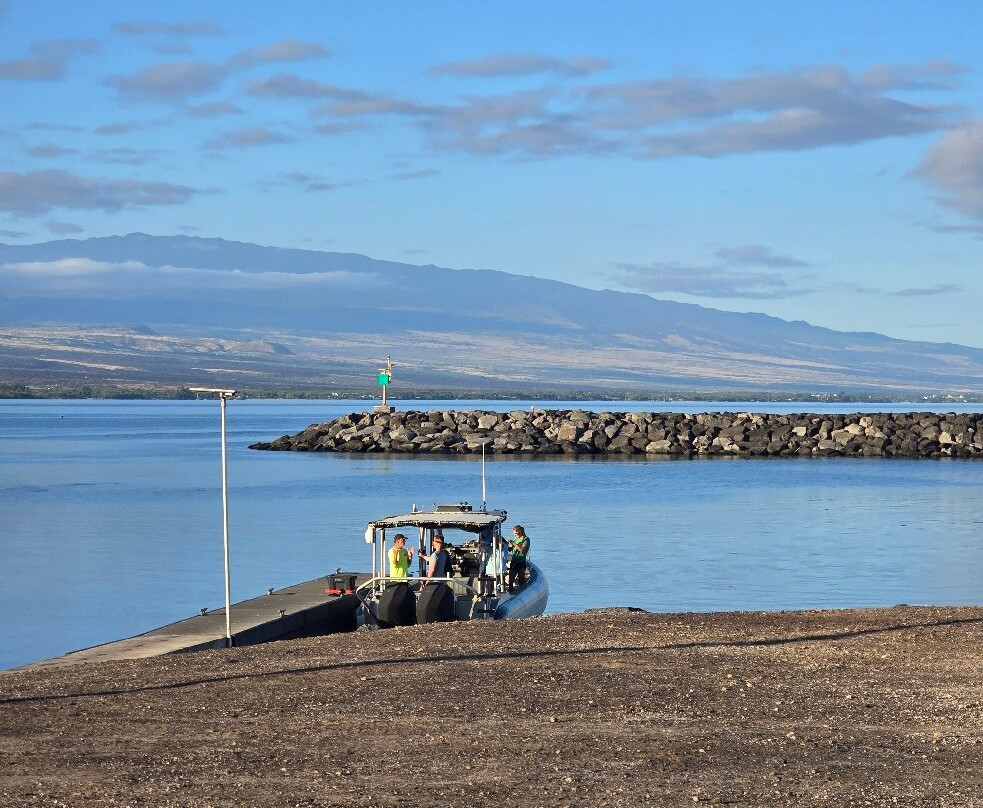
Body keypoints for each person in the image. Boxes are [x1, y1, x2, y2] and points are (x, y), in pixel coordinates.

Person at [507, 524, 530, 593]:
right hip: (514, 561)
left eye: (516, 534)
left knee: (521, 579)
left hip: (521, 561)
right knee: (511, 579)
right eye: (514, 534)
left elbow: (521, 550)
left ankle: (522, 592)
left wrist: (513, 543)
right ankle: (510, 591)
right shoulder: (516, 539)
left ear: (520, 532)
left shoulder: (526, 540)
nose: (515, 535)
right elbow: (510, 549)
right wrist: (508, 545)